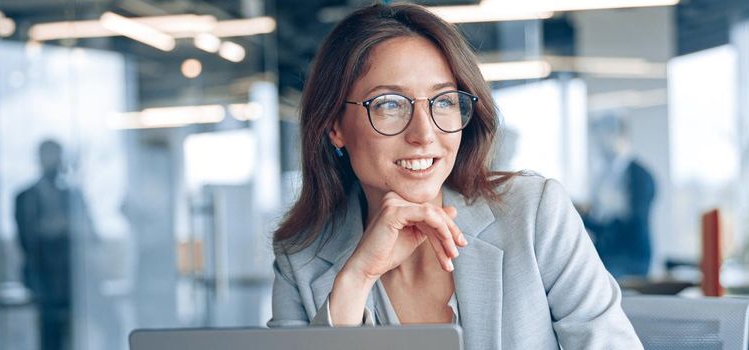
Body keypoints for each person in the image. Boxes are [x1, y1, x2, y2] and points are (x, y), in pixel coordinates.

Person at [266, 4, 642, 349]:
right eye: (390, 104)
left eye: (443, 101)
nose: (424, 134)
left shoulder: (533, 214)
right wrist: (356, 279)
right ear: (335, 127)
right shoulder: (301, 257)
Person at [15, 140, 93, 350]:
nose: (53, 162)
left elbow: (90, 233)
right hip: (43, 280)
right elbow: (26, 240)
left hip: (71, 279)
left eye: (56, 156)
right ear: (39, 159)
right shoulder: (25, 198)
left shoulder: (72, 196)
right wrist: (56, 228)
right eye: (48, 156)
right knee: (50, 335)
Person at [585, 115, 655, 279]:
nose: (600, 142)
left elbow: (635, 221)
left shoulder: (639, 175)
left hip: (629, 262)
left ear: (619, 135)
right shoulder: (604, 176)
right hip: (607, 258)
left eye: (604, 135)